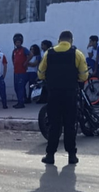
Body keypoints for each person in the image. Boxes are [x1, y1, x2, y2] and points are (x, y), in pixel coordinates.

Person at [38, 30, 88, 165]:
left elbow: (41, 73)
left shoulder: (49, 53)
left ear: (59, 40)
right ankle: (72, 156)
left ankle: (50, 156)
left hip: (53, 94)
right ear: (71, 40)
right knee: (70, 125)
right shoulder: (77, 53)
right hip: (70, 94)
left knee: (54, 125)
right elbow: (84, 75)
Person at [12, 33, 32, 109]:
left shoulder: (24, 49)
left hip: (22, 72)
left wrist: (26, 62)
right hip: (16, 72)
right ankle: (19, 101)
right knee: (16, 87)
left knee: (20, 87)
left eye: (19, 42)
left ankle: (21, 103)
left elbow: (31, 54)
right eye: (16, 42)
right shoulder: (14, 51)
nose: (17, 44)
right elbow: (13, 59)